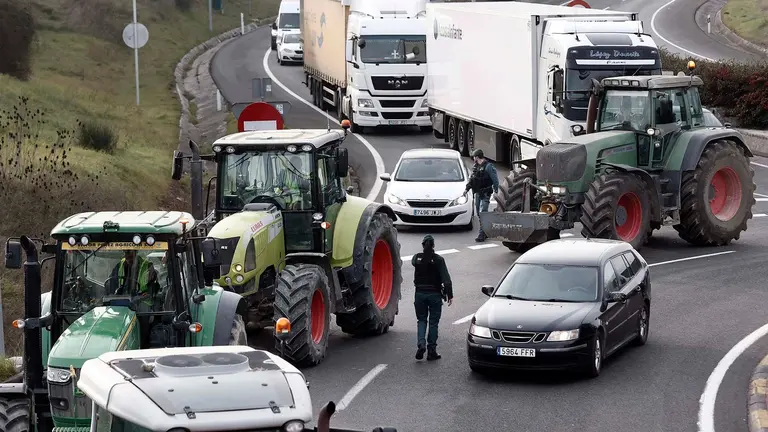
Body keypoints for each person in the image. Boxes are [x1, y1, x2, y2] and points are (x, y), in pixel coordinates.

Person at [411, 235, 453, 361]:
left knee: (422, 320)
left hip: (419, 294)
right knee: (433, 322)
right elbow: (446, 280)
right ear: (433, 245)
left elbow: (414, 262)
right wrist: (449, 295)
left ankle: (421, 343)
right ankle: (431, 351)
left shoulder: (416, 258)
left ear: (423, 245)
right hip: (434, 295)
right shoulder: (439, 260)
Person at [465, 148, 499, 242]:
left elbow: (495, 179)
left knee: (483, 213)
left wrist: (496, 190)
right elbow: (472, 180)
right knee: (479, 214)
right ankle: (485, 231)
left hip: (485, 194)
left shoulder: (488, 167)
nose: (473, 159)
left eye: (474, 157)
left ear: (477, 157)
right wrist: (466, 189)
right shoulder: (475, 167)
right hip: (478, 194)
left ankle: (482, 234)